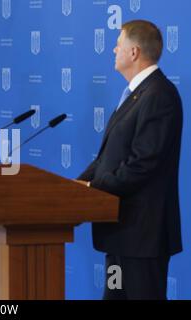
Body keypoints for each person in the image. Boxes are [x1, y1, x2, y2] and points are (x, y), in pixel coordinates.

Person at [77, 20, 182, 300]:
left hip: (142, 237)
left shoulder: (160, 95)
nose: (113, 49)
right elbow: (109, 158)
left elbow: (142, 163)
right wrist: (76, 186)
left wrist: (95, 187)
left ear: (134, 52)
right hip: (120, 235)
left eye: (118, 44)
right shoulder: (136, 95)